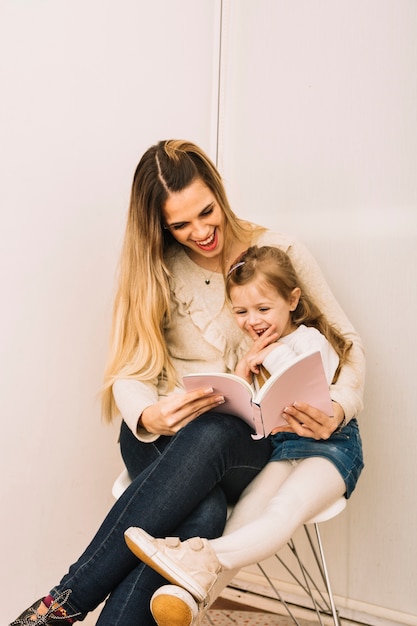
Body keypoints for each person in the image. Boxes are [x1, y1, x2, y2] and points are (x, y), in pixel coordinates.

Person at [9, 140, 365, 626]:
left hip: (243, 445)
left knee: (215, 437)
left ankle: (61, 603)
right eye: (180, 224)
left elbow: (345, 342)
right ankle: (65, 608)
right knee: (201, 516)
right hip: (163, 439)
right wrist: (149, 414)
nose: (200, 232)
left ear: (219, 192)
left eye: (206, 212)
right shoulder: (157, 268)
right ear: (160, 225)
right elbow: (130, 371)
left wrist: (339, 409)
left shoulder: (279, 252)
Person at [124, 245, 364, 610]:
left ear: (293, 300)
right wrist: (239, 376)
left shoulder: (310, 339)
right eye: (241, 311)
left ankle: (194, 556)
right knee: (247, 515)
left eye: (263, 309)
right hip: (283, 446)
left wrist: (272, 354)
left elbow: (315, 380)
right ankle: (186, 603)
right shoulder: (251, 352)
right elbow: (254, 409)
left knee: (283, 508)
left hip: (330, 444)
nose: (253, 321)